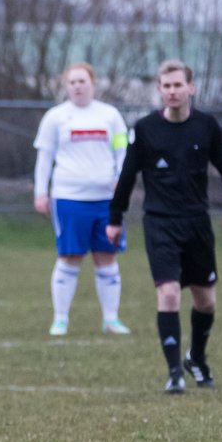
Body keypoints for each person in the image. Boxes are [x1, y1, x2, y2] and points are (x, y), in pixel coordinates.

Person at [107, 58, 222, 394]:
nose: (172, 91)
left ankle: (195, 358)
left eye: (177, 85)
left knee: (206, 302)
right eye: (166, 86)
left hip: (197, 223)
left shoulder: (207, 126)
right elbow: (127, 176)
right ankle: (174, 373)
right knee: (168, 293)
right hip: (159, 223)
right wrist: (115, 217)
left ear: (191, 88)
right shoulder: (144, 129)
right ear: (159, 90)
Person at [33, 62, 130, 336]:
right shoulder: (55, 117)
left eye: (82, 81)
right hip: (68, 198)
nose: (77, 86)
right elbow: (45, 157)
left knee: (107, 257)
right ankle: (60, 319)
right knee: (69, 257)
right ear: (66, 86)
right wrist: (41, 192)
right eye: (72, 82)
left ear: (93, 83)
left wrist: (121, 183)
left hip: (106, 201)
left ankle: (111, 319)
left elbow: (123, 153)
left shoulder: (110, 116)